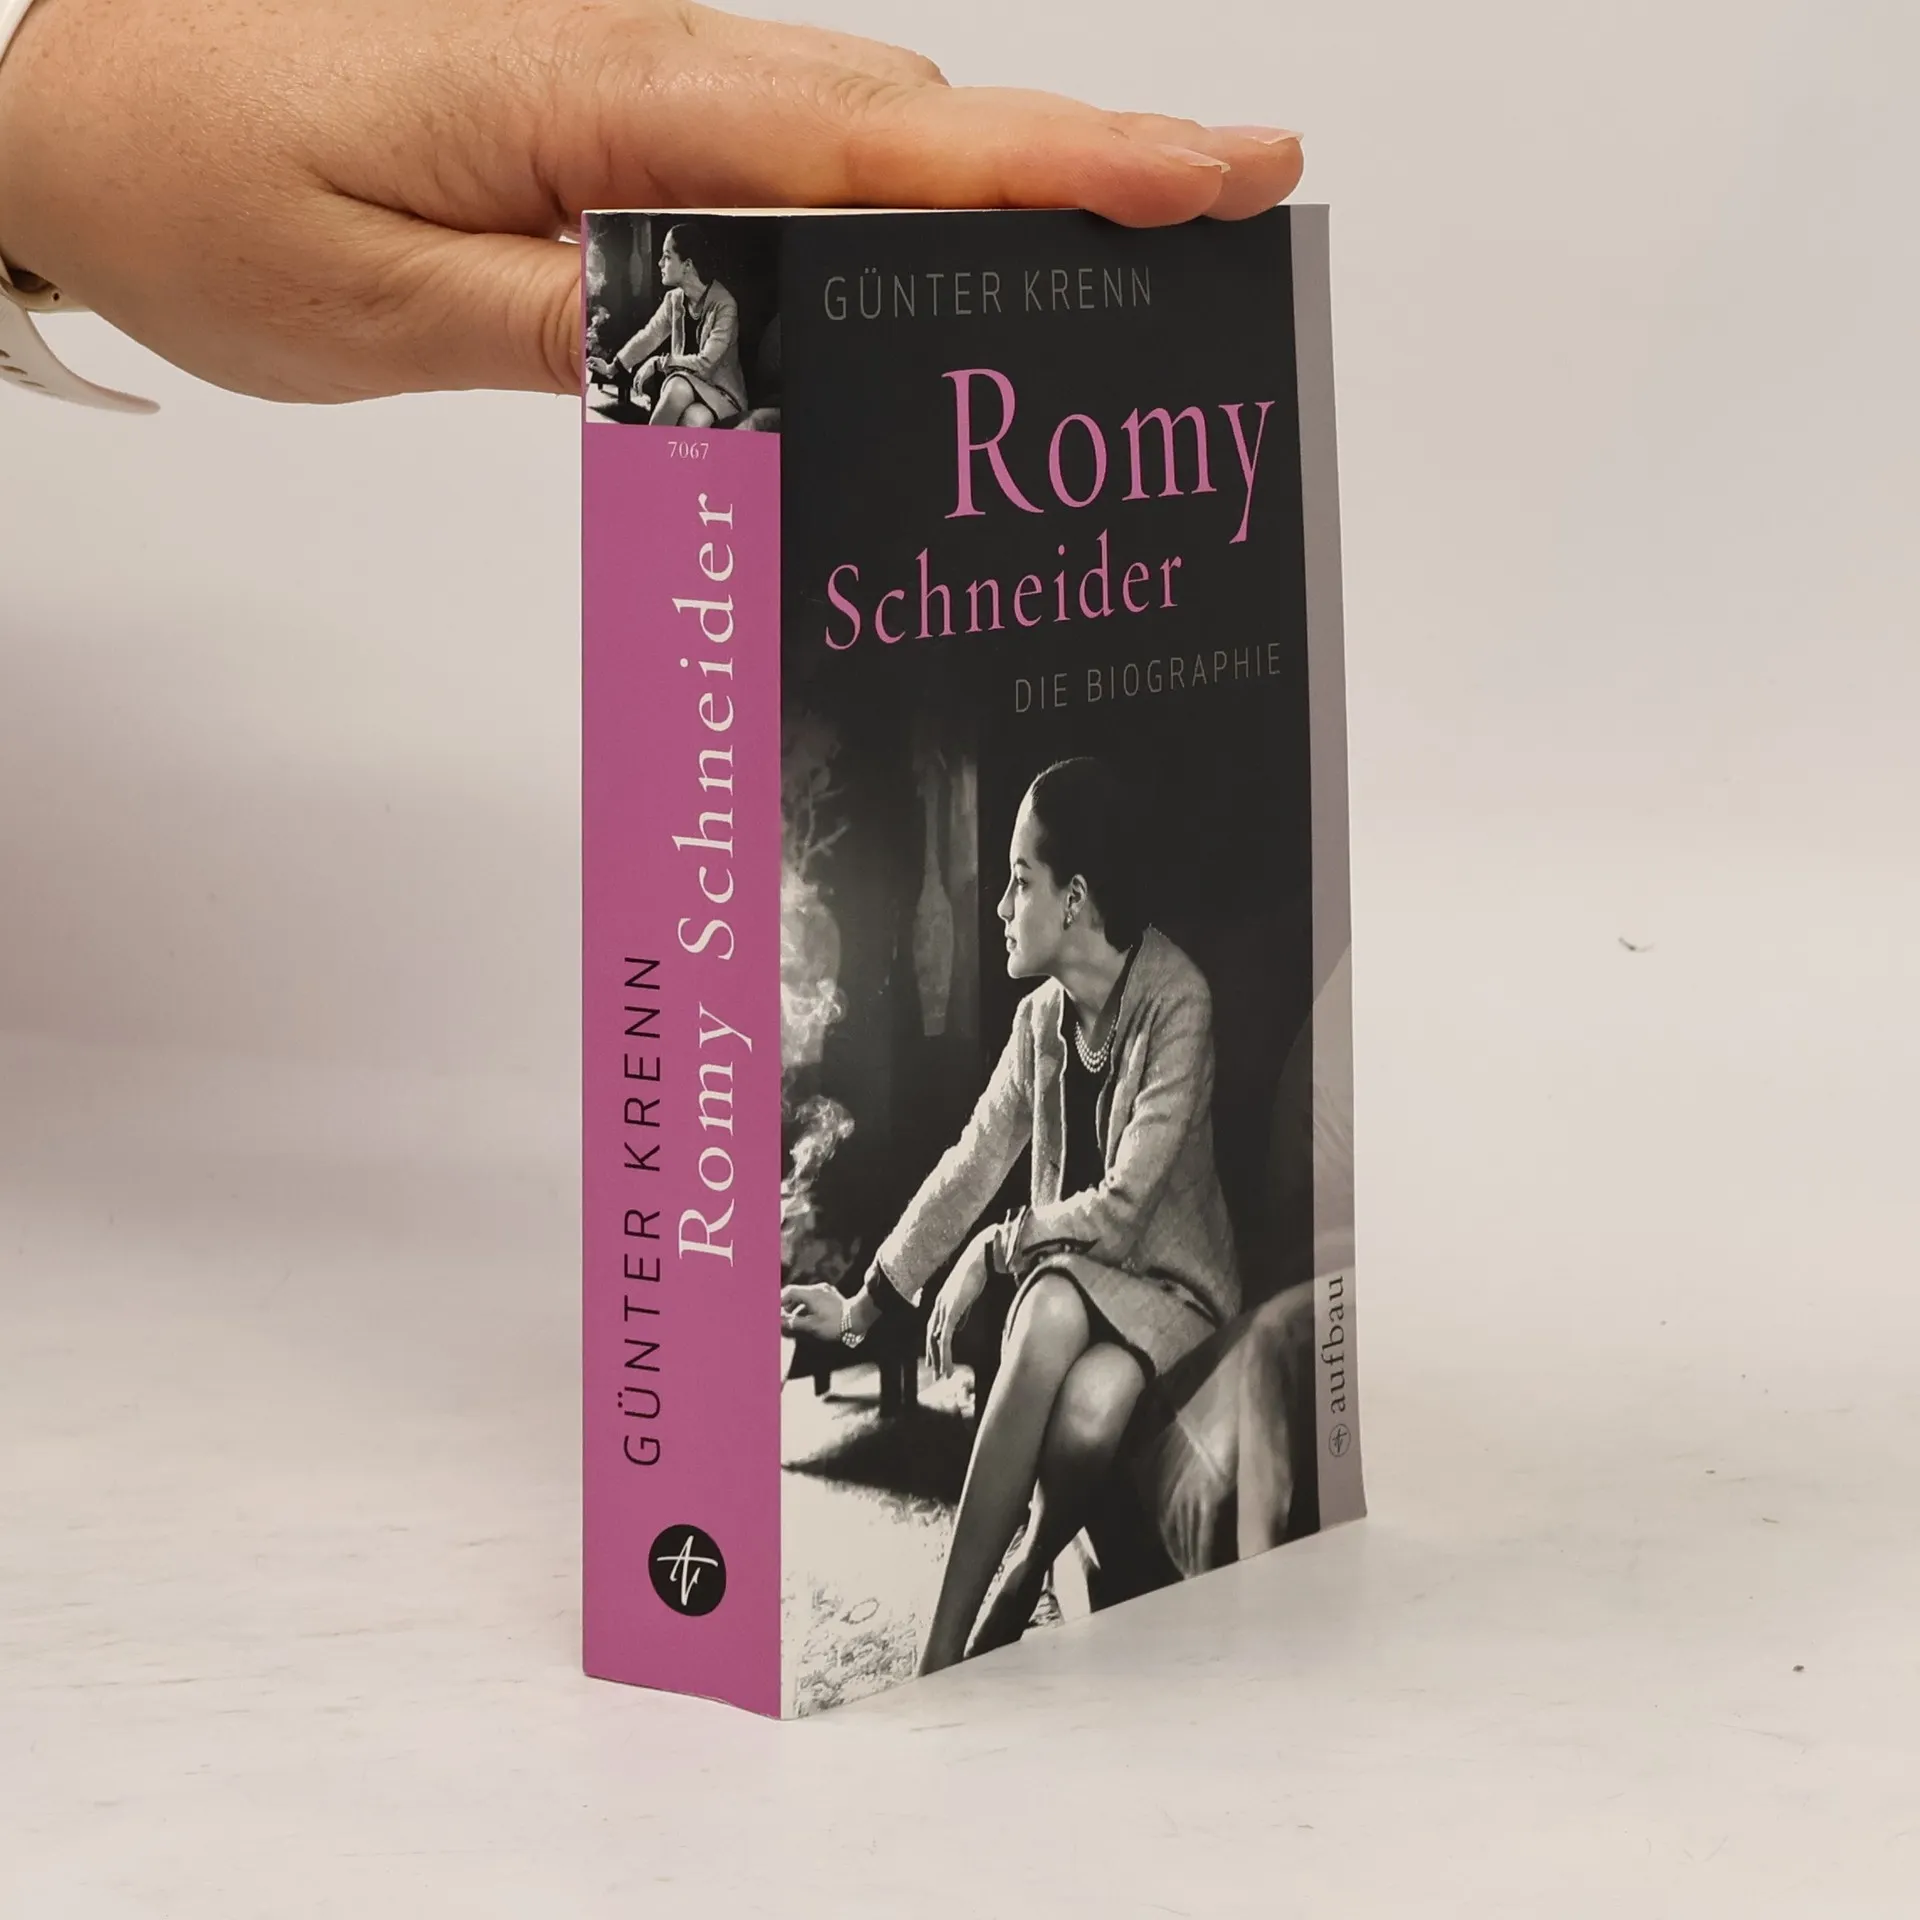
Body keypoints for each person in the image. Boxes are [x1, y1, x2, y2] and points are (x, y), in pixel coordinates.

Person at [0, 0, 1301, 405]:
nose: (672, 271)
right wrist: (48, 130)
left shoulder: (698, 305)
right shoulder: (677, 300)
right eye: (671, 264)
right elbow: (657, 347)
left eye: (676, 264)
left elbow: (707, 351)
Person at [781, 757, 1241, 1672]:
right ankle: (945, 1653)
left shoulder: (1179, 1002)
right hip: (1076, 1286)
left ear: (1075, 900)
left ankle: (1024, 1567)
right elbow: (971, 1163)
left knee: (1064, 1333)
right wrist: (864, 1305)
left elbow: (1125, 1208)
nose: (998, 906)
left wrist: (998, 1247)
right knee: (1078, 1376)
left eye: (1019, 881)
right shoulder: (1039, 1022)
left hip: (1174, 1292)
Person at [586, 222, 747, 426]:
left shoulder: (724, 305)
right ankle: (654, 445)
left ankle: (647, 445)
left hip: (722, 396)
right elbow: (649, 336)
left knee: (677, 385)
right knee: (694, 419)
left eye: (667, 256)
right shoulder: (674, 299)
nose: (660, 263)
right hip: (688, 392)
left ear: (687, 265)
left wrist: (658, 363)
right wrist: (612, 368)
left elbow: (706, 364)